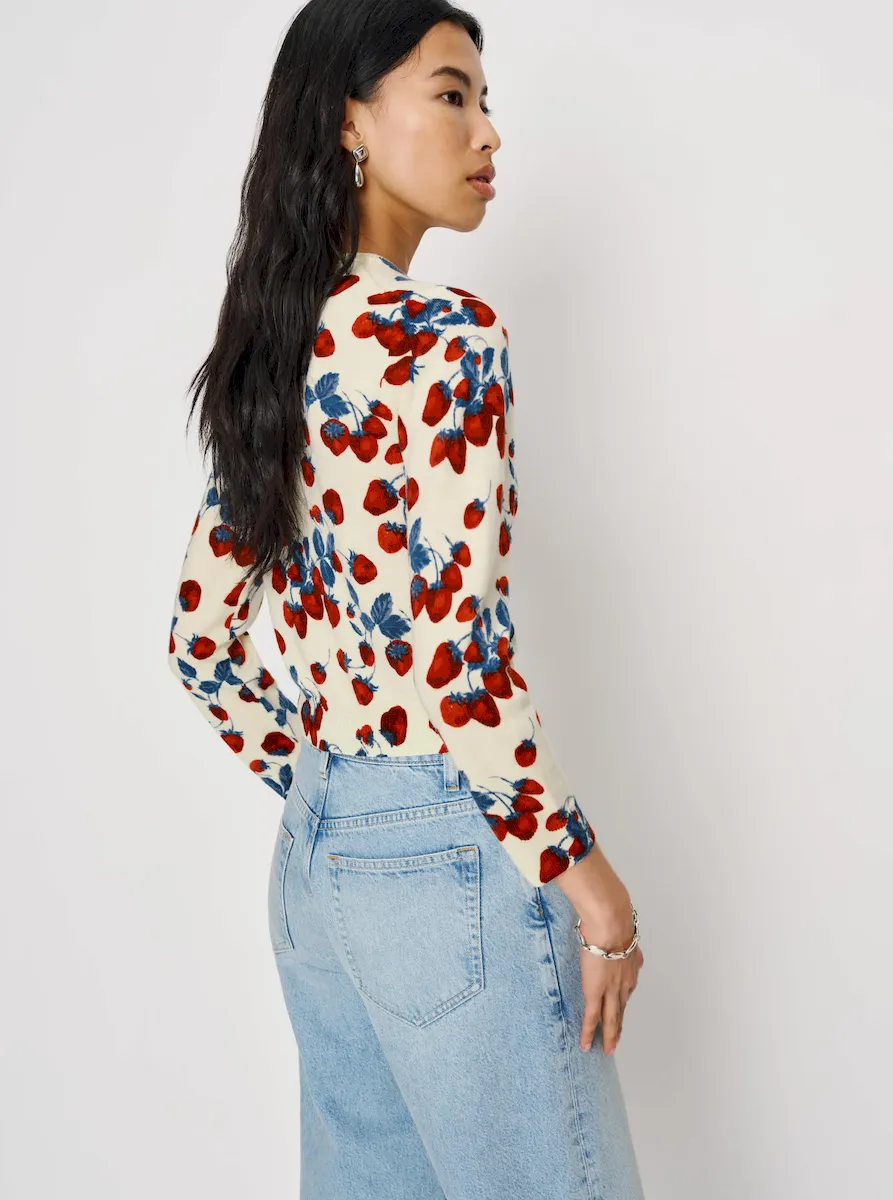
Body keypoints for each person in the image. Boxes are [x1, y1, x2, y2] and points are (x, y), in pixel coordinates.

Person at [166, 1, 645, 1195]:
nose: (488, 132)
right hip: (447, 855)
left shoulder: (280, 347)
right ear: (350, 123)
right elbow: (455, 659)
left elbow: (201, 642)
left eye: (486, 100)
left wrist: (335, 795)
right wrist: (589, 882)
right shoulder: (446, 338)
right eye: (451, 94)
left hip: (317, 867)